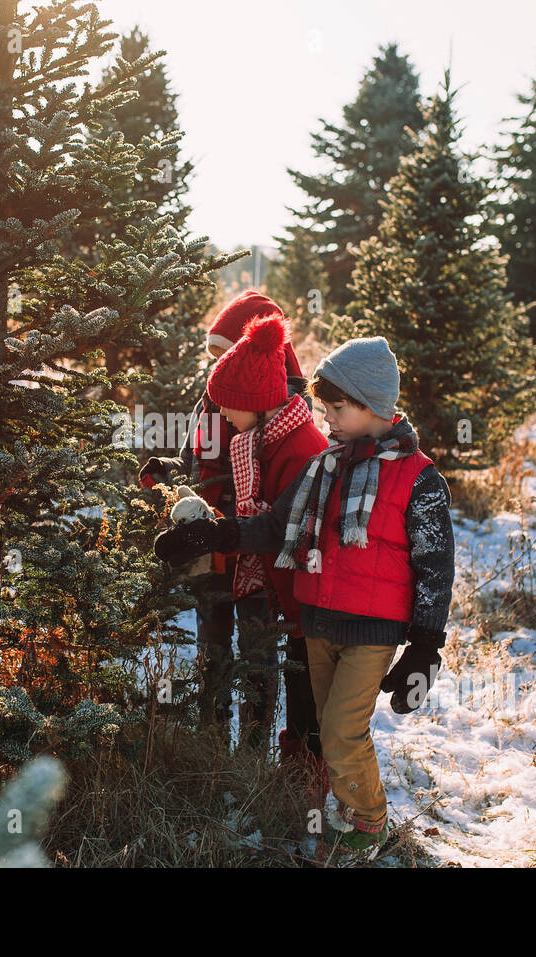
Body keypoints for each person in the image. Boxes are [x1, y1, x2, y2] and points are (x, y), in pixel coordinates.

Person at [153, 335, 456, 853]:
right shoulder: (325, 467)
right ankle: (343, 811)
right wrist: (216, 535)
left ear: (374, 406)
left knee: (341, 729)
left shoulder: (418, 478)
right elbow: (274, 525)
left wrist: (426, 647)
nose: (328, 420)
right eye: (324, 409)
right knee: (328, 728)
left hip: (372, 629)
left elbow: (435, 567)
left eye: (337, 409)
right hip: (317, 622)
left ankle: (369, 822)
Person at [139, 291, 321, 763]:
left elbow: (281, 505)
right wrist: (170, 469)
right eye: (215, 356)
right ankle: (211, 733)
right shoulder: (213, 398)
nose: (216, 363)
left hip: (252, 547)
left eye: (222, 353)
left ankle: (253, 745)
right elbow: (192, 455)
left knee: (257, 646)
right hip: (209, 538)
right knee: (211, 638)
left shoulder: (277, 407)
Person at [198, 314, 328, 752]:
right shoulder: (261, 439)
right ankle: (283, 773)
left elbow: (278, 528)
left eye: (228, 404)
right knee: (295, 687)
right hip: (291, 595)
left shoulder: (300, 448)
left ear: (256, 402)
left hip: (309, 599)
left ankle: (302, 787)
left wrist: (217, 535)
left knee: (307, 699)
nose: (222, 413)